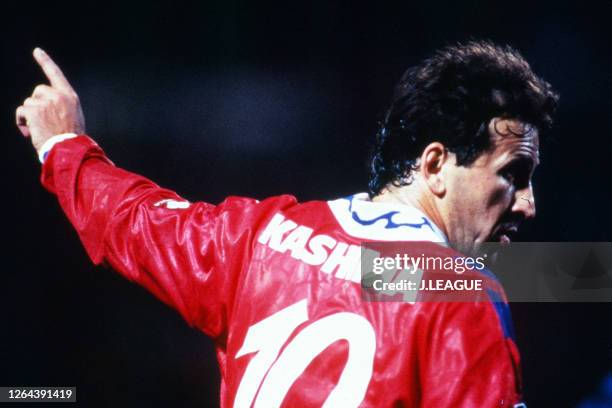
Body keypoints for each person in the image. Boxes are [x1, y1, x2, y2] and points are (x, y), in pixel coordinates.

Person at [16, 41, 558, 407]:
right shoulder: (459, 294)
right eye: (514, 174)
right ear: (436, 165)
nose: (527, 204)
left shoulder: (257, 238)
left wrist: (63, 145)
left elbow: (132, 220)